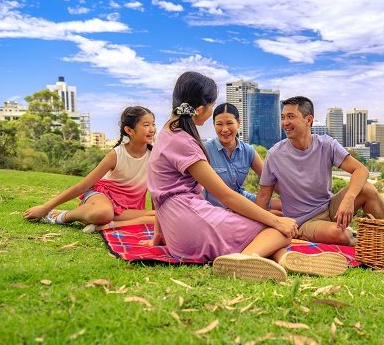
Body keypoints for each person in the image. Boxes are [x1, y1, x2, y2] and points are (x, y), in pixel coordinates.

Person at [145, 71, 347, 282]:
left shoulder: (168, 133)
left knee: (270, 230)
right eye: (212, 107)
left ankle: (284, 259)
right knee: (279, 229)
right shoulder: (184, 141)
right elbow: (226, 196)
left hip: (178, 230)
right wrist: (277, 222)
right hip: (192, 227)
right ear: (200, 109)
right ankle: (241, 260)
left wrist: (159, 235)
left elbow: (159, 193)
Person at [255, 96, 384, 246]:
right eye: (283, 117)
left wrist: (348, 199)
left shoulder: (326, 144)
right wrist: (256, 229)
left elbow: (361, 170)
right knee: (341, 235)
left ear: (309, 120)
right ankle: (368, 245)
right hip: (304, 221)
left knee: (367, 189)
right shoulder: (275, 155)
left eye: (291, 117)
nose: (285, 122)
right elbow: (263, 196)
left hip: (330, 206)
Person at [23, 106, 156, 232]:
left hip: (128, 207)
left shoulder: (155, 156)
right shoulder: (116, 155)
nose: (152, 129)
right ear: (129, 130)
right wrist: (45, 207)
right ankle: (61, 216)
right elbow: (83, 186)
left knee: (161, 217)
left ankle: (107, 226)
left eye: (153, 124)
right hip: (102, 196)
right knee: (103, 213)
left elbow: (157, 191)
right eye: (146, 125)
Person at [203, 102, 281, 212]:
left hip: (242, 199)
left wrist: (297, 197)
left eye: (229, 123)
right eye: (219, 124)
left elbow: (270, 181)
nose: (224, 129)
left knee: (284, 207)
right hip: (217, 208)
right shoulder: (205, 150)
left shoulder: (248, 151)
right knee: (275, 215)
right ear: (214, 125)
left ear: (239, 123)